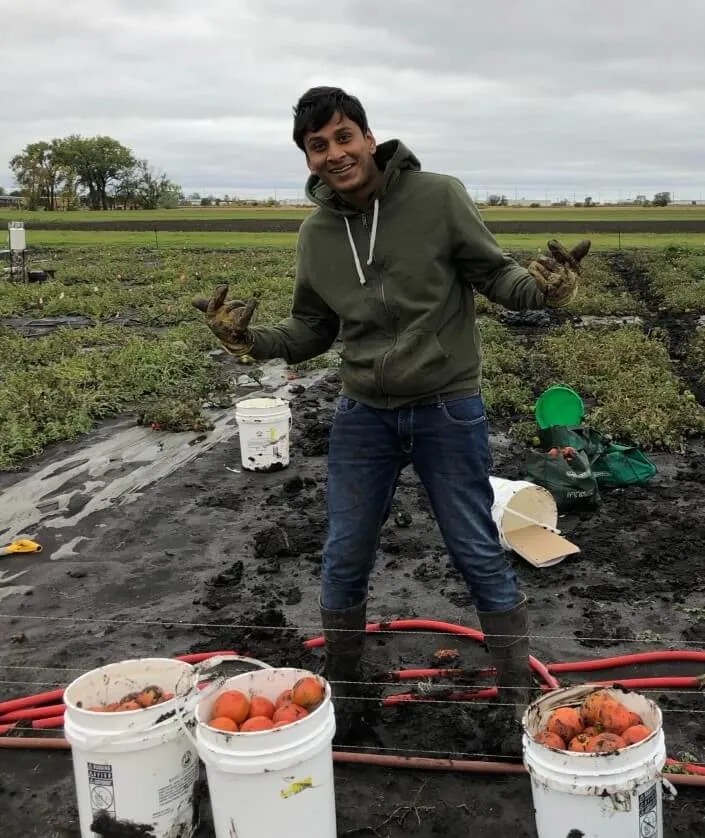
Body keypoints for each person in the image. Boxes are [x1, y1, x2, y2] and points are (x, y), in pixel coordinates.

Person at [193, 86, 590, 744]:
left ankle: (513, 698)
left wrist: (545, 287)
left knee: (474, 550)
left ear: (369, 138)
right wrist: (251, 342)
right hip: (363, 416)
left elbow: (496, 276)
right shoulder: (316, 234)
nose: (334, 153)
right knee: (345, 552)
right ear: (308, 158)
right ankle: (346, 693)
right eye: (317, 146)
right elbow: (312, 329)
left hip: (445, 408)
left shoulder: (437, 198)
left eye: (343, 137)